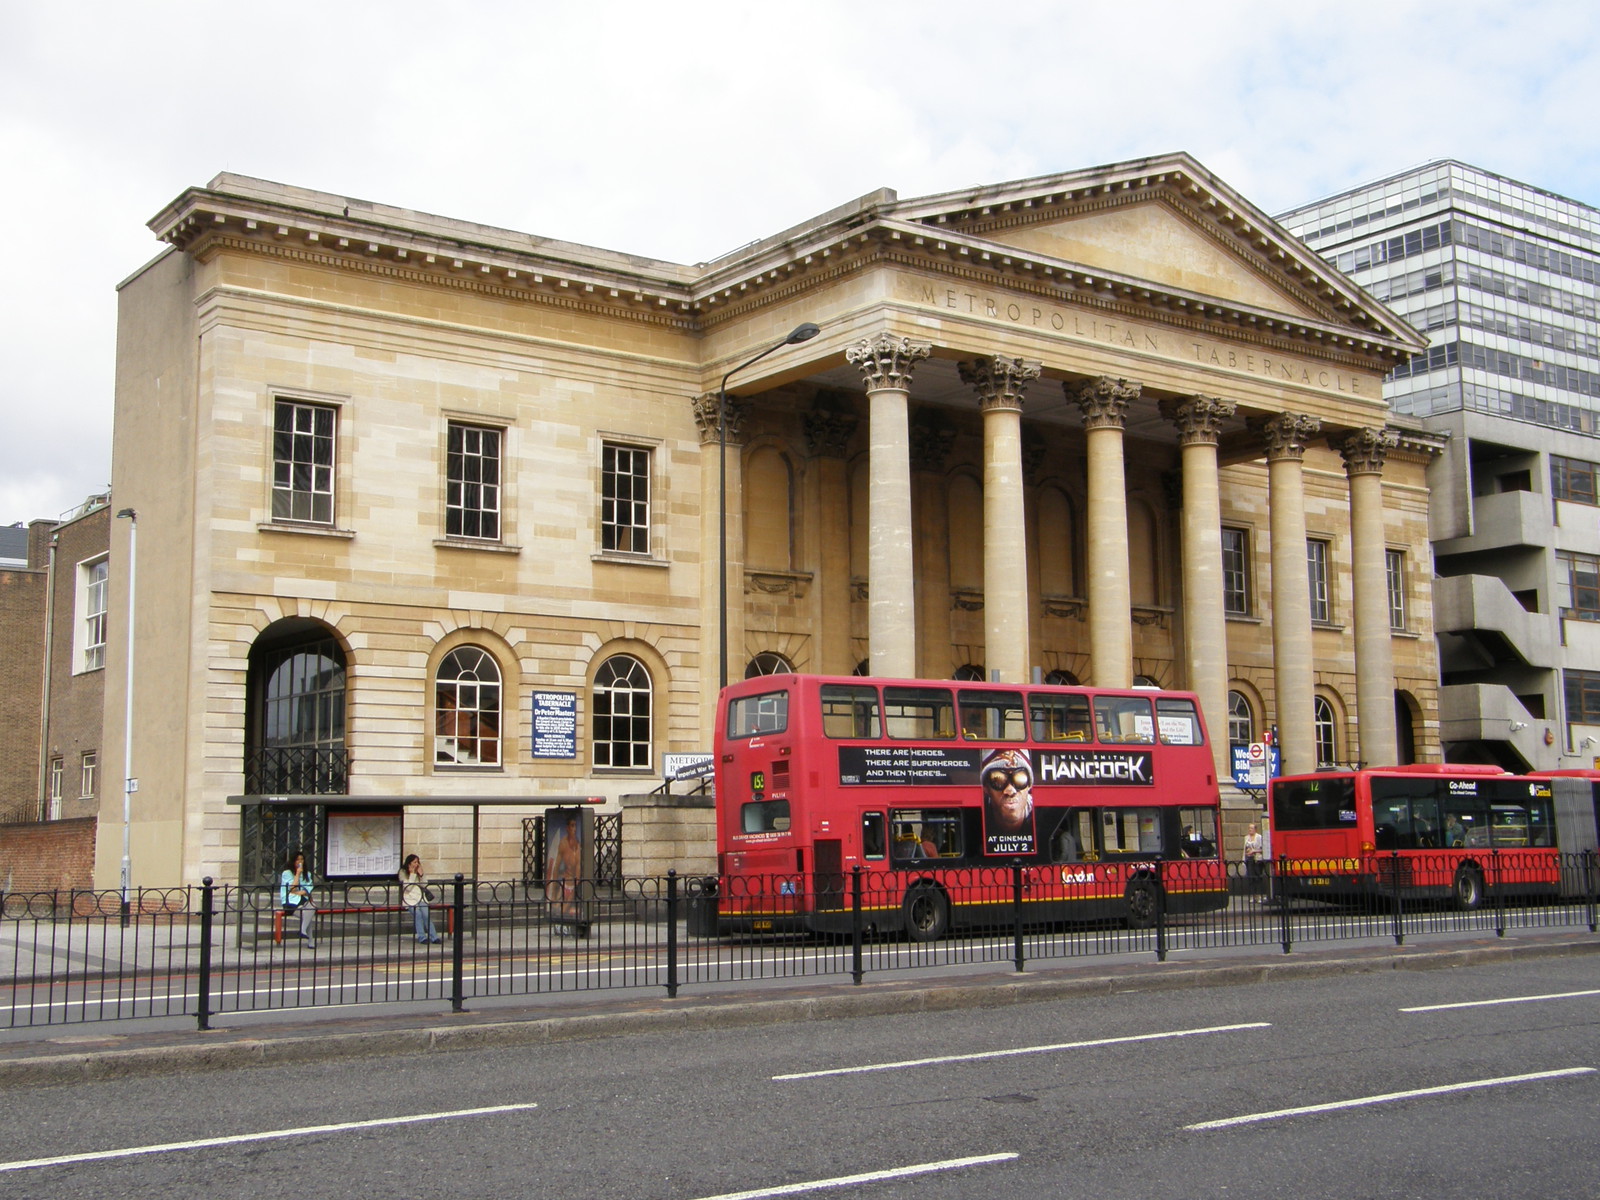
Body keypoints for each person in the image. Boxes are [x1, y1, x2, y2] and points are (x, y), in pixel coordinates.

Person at [981, 748, 1035, 851]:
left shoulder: (1042, 815)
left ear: (1029, 786)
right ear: (986, 788)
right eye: (998, 780)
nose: (1010, 791)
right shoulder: (975, 819)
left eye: (1020, 779)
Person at [399, 853, 441, 944]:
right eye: (414, 862)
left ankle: (434, 937)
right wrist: (412, 874)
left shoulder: (419, 871)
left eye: (417, 862)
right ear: (409, 863)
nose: (416, 864)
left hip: (420, 898)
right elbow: (408, 887)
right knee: (418, 914)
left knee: (426, 915)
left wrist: (421, 875)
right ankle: (422, 937)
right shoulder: (403, 872)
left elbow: (424, 885)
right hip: (409, 899)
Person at [280, 850, 316, 949]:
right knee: (308, 915)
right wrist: (297, 874)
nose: (300, 862)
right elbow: (292, 889)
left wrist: (300, 892)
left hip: (303, 900)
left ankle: (303, 931)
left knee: (312, 907)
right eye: (297, 860)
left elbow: (307, 889)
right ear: (293, 862)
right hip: (290, 901)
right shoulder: (286, 873)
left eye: (302, 859)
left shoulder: (307, 874)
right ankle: (310, 941)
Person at [1242, 822, 1265, 894]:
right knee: (1250, 877)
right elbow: (1245, 848)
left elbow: (1263, 849)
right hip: (1249, 859)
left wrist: (1254, 851)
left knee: (1257, 877)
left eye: (1251, 828)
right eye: (1249, 828)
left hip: (1257, 859)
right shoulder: (1246, 837)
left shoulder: (1259, 837)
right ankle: (1253, 894)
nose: (1250, 830)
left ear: (1255, 829)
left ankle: (1258, 894)